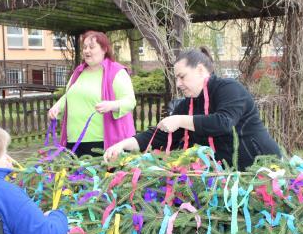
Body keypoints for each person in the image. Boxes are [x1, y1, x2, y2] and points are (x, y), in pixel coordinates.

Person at [104, 47, 282, 171]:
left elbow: (223, 122)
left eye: (182, 77)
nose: (178, 84)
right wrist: (123, 145)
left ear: (200, 69)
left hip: (262, 170)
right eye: (176, 79)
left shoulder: (229, 88)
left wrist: (180, 120)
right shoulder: (186, 105)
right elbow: (159, 136)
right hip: (224, 176)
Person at [48, 30, 136, 157]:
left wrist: (112, 105)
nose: (86, 51)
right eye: (84, 47)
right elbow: (68, 96)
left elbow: (130, 101)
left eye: (91, 47)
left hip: (103, 143)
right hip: (73, 141)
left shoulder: (117, 72)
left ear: (104, 49)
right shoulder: (78, 72)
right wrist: (56, 107)